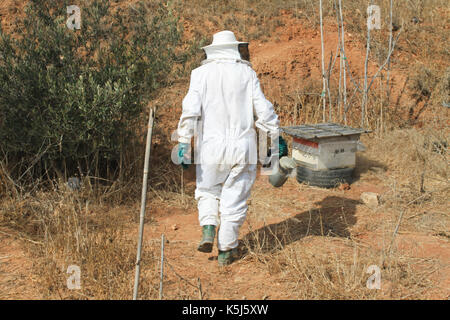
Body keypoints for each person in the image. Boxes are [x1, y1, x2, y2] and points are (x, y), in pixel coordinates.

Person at [176, 30, 286, 266]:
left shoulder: (199, 74)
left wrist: (184, 141)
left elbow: (190, 111)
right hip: (242, 147)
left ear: (213, 50)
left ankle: (208, 227)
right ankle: (226, 251)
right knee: (234, 199)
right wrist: (275, 138)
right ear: (236, 49)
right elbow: (264, 111)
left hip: (210, 148)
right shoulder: (246, 73)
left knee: (207, 191)